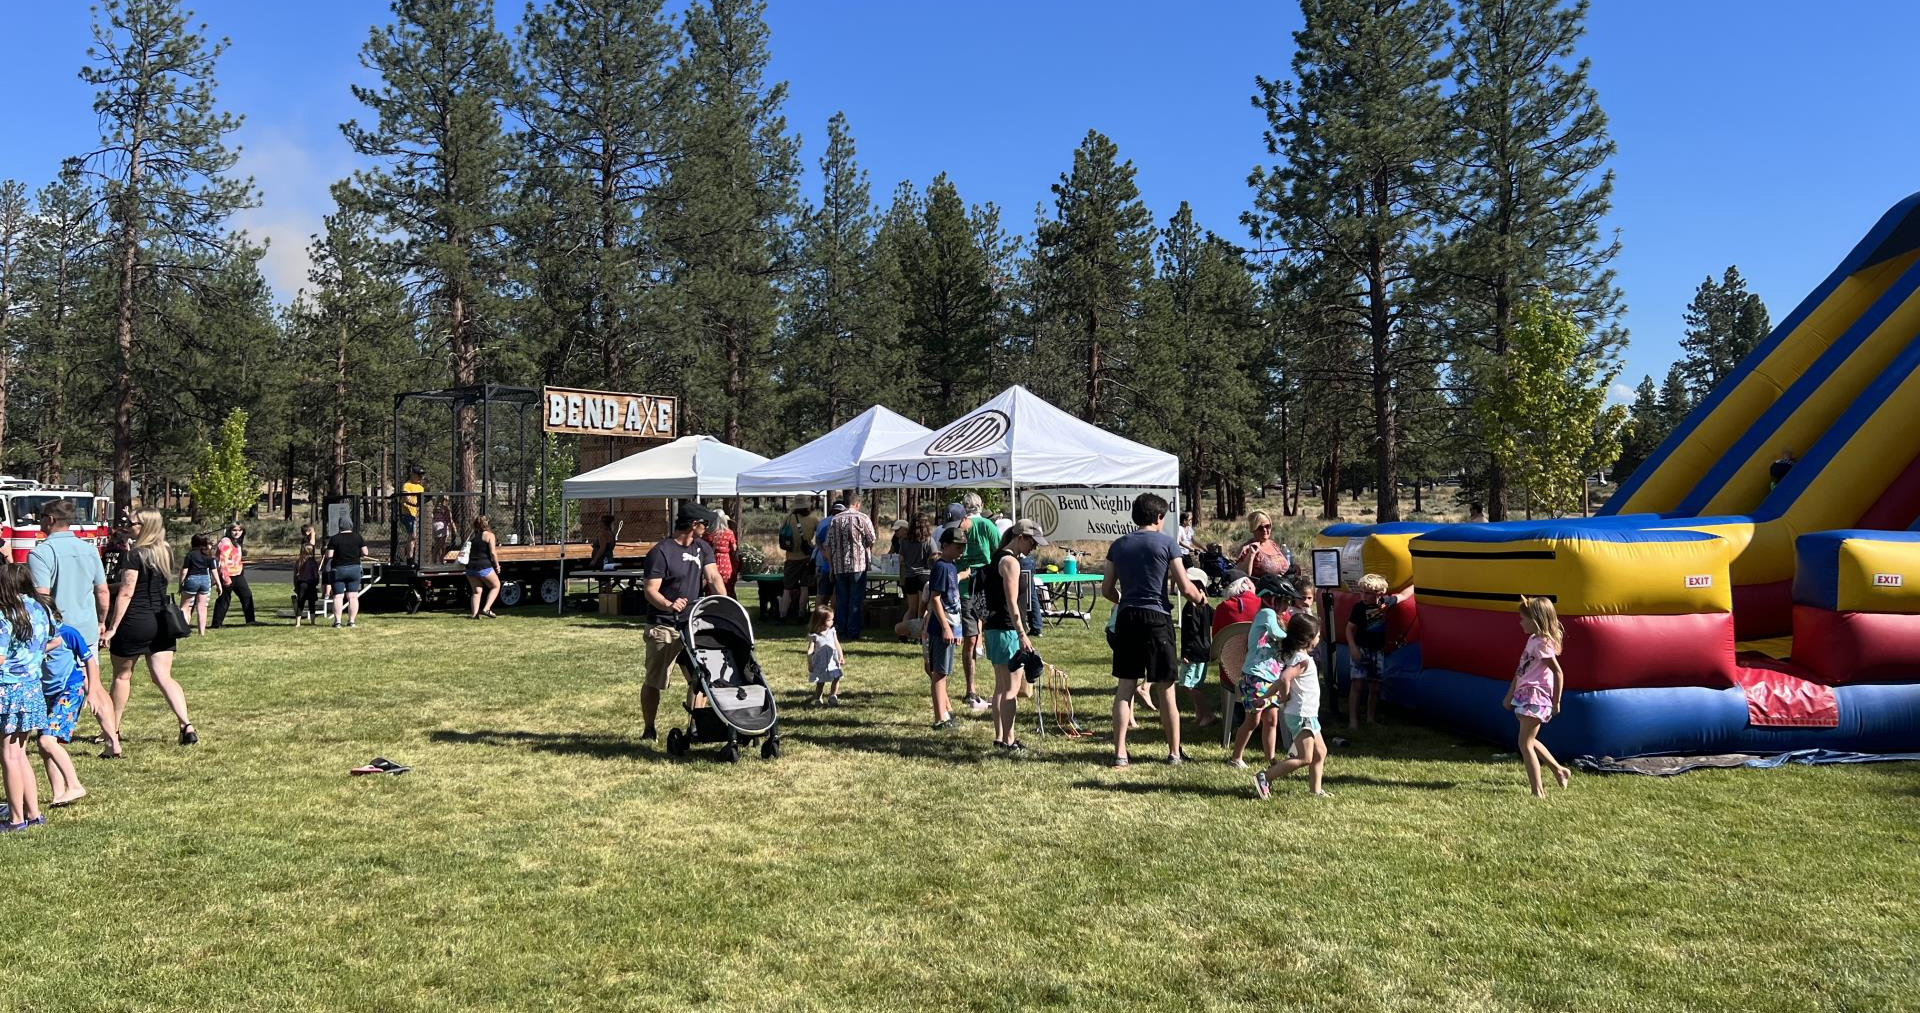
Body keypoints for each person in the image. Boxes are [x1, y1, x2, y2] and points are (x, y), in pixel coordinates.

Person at [1103, 492, 1207, 768]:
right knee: (1166, 688)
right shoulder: (1167, 543)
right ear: (1159, 517)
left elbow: (1106, 589)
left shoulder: (1118, 545)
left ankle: (1120, 753)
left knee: (1125, 687)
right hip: (1157, 617)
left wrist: (1124, 600)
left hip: (1127, 617)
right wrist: (1200, 599)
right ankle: (1174, 753)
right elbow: (1185, 586)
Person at [27, 499, 118, 758]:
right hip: (86, 629)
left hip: (59, 634)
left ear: (51, 520)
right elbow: (102, 591)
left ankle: (52, 734)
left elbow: (42, 597)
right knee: (94, 684)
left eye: (41, 517)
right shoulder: (89, 550)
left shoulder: (41, 553)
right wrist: (101, 621)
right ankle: (113, 740)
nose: (39, 522)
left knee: (57, 685)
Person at [101, 509, 195, 749]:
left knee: (122, 676)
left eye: (132, 523)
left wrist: (112, 627)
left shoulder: (135, 555)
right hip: (162, 621)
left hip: (135, 621)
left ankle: (113, 730)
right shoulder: (165, 550)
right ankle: (186, 725)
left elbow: (127, 592)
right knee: (163, 677)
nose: (128, 526)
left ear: (144, 526)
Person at [638, 504, 726, 742]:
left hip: (693, 626)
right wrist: (669, 604)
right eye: (704, 524)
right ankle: (649, 729)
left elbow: (713, 577)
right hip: (663, 625)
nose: (707, 528)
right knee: (654, 681)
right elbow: (650, 590)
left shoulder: (702, 547)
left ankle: (695, 727)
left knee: (701, 679)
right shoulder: (661, 552)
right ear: (693, 525)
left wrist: (727, 606)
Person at [983, 519, 1047, 752]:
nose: (1034, 548)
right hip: (1008, 629)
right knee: (1011, 689)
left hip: (994, 628)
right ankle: (1009, 741)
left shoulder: (997, 557)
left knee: (1001, 687)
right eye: (1032, 542)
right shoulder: (1011, 562)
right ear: (1020, 537)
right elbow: (1012, 602)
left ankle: (1000, 738)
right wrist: (1022, 634)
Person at [1253, 614, 1330, 799]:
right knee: (1305, 757)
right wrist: (1284, 696)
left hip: (1308, 714)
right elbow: (1284, 678)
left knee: (1320, 752)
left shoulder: (1296, 657)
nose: (1319, 638)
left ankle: (1315, 791)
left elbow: (1280, 680)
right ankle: (1265, 777)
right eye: (1318, 635)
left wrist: (1265, 697)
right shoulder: (1302, 660)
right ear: (1308, 638)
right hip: (1301, 714)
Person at [0, 564, 52, 829]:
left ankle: (16, 819)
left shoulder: (5, 613)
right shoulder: (40, 608)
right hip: (32, 687)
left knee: (9, 755)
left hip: (8, 688)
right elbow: (53, 639)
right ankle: (33, 814)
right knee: (20, 753)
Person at [1505, 596, 1571, 798]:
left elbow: (1558, 672)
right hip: (1525, 694)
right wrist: (1510, 695)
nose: (1520, 622)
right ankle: (1559, 770)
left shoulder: (1542, 643)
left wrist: (1556, 701)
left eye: (1523, 619)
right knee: (1529, 741)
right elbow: (1521, 670)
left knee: (1524, 744)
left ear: (1535, 620)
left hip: (1536, 696)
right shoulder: (1533, 639)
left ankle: (1538, 792)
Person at [1228, 592, 1293, 769]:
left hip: (1271, 677)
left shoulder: (1277, 618)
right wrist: (1296, 637)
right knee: (1252, 720)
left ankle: (1270, 759)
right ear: (1272, 600)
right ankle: (1236, 758)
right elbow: (1276, 633)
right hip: (1256, 675)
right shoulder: (1266, 613)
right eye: (1284, 601)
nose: (1287, 606)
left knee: (1271, 720)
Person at [38, 614, 95, 808]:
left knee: (47, 740)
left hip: (70, 689)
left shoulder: (68, 633)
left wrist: (93, 691)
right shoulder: (34, 635)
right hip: (46, 694)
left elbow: (89, 661)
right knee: (45, 745)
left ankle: (75, 785)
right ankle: (59, 794)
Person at [921, 526, 965, 729]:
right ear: (945, 545)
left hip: (951, 627)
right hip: (941, 629)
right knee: (939, 673)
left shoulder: (951, 566)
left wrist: (957, 630)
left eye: (963, 547)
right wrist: (946, 628)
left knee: (944, 672)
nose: (961, 551)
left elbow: (953, 599)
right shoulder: (940, 567)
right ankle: (940, 718)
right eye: (957, 547)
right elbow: (935, 599)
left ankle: (944, 713)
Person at [957, 493, 997, 713]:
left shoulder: (963, 526)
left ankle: (970, 688)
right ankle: (978, 688)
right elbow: (999, 552)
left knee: (970, 639)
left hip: (967, 587)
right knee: (984, 636)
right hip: (982, 586)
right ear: (981, 506)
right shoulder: (987, 526)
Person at [1346, 573, 1399, 730]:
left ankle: (1370, 718)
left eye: (1367, 593)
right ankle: (1353, 720)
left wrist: (1414, 582)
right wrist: (1353, 648)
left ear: (1379, 594)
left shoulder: (1384, 604)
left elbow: (1402, 596)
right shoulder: (1359, 608)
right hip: (1361, 649)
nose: (1363, 596)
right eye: (1361, 592)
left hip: (1377, 651)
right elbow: (1349, 629)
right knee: (1357, 685)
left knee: (1375, 687)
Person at [824, 493, 878, 640]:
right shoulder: (862, 518)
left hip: (839, 566)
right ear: (857, 504)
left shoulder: (835, 520)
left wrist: (831, 566)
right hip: (857, 565)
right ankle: (853, 631)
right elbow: (872, 539)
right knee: (856, 600)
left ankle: (841, 630)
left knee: (842, 600)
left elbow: (827, 545)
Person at [323, 518, 371, 629]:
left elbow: (329, 555)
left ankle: (338, 622)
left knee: (338, 596)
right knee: (353, 596)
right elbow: (365, 552)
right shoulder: (357, 537)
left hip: (338, 569)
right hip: (354, 569)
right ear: (351, 525)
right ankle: (351, 621)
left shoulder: (335, 538)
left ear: (340, 526)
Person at [210, 520, 257, 628]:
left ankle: (250, 621)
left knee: (246, 595)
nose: (237, 532)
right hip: (227, 575)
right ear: (229, 531)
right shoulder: (225, 542)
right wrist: (226, 578)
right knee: (224, 599)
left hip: (238, 574)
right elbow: (223, 561)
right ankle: (216, 624)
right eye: (234, 530)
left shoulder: (237, 542)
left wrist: (241, 569)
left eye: (240, 530)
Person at [779, 502, 817, 622]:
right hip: (807, 557)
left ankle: (783, 615)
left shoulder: (788, 518)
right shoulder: (813, 519)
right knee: (804, 587)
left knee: (787, 588)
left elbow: (781, 533)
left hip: (791, 557)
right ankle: (801, 614)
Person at [898, 513, 935, 631]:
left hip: (910, 577)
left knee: (911, 609)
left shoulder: (904, 541)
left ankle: (903, 633)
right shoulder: (929, 540)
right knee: (923, 609)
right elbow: (934, 557)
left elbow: (901, 559)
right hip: (924, 577)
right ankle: (922, 634)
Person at [1234, 510, 1291, 581]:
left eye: (1267, 526)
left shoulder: (1273, 544)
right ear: (1253, 529)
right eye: (1260, 527)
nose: (1264, 530)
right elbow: (1242, 576)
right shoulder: (1247, 548)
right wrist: (1251, 555)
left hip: (1283, 584)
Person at [179, 533, 217, 636]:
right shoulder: (207, 554)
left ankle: (185, 631)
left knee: (185, 607)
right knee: (202, 607)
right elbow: (214, 570)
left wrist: (181, 584)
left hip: (192, 579)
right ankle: (202, 632)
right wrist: (218, 584)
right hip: (205, 580)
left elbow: (184, 571)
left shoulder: (190, 555)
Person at [464, 515, 501, 619]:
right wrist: (497, 565)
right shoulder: (489, 535)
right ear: (487, 524)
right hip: (484, 566)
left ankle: (474, 614)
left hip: (470, 567)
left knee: (476, 591)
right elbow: (493, 552)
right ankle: (486, 608)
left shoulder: (472, 536)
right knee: (496, 586)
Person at [806, 606, 844, 706]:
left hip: (833, 661)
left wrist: (840, 656)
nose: (832, 621)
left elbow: (837, 644)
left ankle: (833, 696)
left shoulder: (832, 631)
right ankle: (818, 698)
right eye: (829, 620)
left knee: (836, 678)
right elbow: (810, 650)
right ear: (821, 621)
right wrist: (810, 663)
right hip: (821, 663)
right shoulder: (815, 636)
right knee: (820, 682)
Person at [704, 509, 741, 599]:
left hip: (712, 562)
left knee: (712, 587)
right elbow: (734, 548)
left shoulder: (708, 534)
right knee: (727, 588)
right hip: (726, 563)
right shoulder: (729, 533)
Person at [293, 525, 321, 626]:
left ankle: (298, 622)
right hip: (310, 583)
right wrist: (317, 581)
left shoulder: (299, 561)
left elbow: (295, 574)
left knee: (301, 602)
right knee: (311, 603)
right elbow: (316, 574)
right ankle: (312, 622)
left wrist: (295, 584)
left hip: (301, 583)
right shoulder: (313, 562)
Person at [401, 464, 426, 561]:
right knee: (413, 535)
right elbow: (406, 498)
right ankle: (409, 558)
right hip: (408, 514)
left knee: (416, 537)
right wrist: (416, 504)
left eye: (421, 475)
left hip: (418, 515)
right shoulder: (407, 485)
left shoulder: (420, 487)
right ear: (413, 474)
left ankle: (414, 556)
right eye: (418, 475)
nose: (420, 477)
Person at [431, 496, 454, 560]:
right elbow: (450, 519)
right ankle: (438, 558)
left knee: (438, 544)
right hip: (441, 526)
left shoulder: (435, 507)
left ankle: (437, 559)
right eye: (447, 500)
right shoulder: (445, 508)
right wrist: (453, 528)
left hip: (435, 525)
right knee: (441, 545)